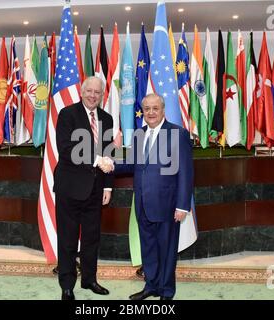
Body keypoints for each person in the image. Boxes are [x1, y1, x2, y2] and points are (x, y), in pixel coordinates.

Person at [113, 93, 194, 300]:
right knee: (148, 248)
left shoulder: (178, 134)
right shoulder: (139, 135)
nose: (150, 112)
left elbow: (186, 172)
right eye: (147, 108)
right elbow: (133, 164)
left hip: (168, 205)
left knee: (167, 251)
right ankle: (151, 286)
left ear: (163, 110)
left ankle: (166, 291)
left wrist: (182, 206)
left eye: (155, 108)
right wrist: (111, 164)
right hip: (142, 204)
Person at [54, 76, 114, 300]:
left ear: (102, 95)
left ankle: (89, 280)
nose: (92, 95)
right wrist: (97, 160)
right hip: (70, 187)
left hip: (96, 190)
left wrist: (108, 187)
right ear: (82, 92)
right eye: (89, 91)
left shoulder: (106, 119)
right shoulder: (67, 114)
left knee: (91, 238)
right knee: (68, 239)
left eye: (97, 92)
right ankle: (67, 285)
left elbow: (109, 154)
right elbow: (66, 149)